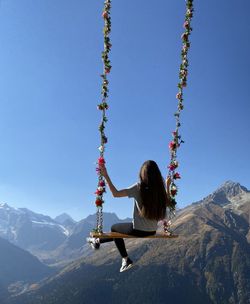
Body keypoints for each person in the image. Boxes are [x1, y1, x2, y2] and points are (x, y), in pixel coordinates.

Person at [87, 160, 172, 272]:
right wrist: (167, 185)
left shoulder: (139, 187)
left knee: (114, 229)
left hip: (137, 230)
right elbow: (169, 203)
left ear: (143, 174)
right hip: (152, 231)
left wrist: (106, 176)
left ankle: (125, 259)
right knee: (118, 232)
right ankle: (97, 241)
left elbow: (116, 194)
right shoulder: (159, 191)